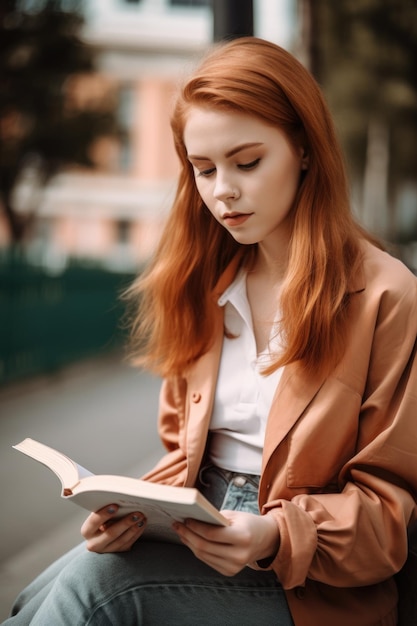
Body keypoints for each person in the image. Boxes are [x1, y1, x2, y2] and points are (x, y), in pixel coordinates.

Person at [3, 36, 417, 626]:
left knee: (95, 595)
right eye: (203, 169)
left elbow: (388, 520)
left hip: (308, 585)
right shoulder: (202, 282)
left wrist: (275, 534)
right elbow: (182, 453)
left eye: (247, 162)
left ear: (303, 148)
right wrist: (127, 512)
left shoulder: (385, 295)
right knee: (41, 595)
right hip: (199, 530)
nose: (223, 190)